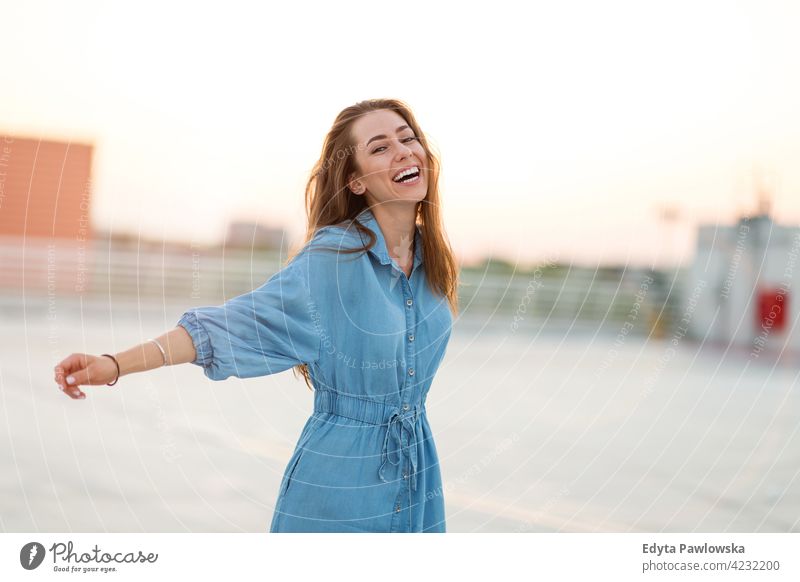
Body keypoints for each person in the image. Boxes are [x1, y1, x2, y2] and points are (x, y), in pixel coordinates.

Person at [53, 98, 459, 533]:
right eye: (379, 147)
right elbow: (226, 328)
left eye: (408, 137)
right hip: (339, 486)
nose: (403, 150)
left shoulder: (434, 263)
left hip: (417, 477)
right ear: (355, 181)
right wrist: (114, 363)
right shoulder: (332, 261)